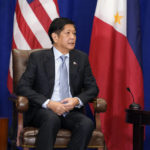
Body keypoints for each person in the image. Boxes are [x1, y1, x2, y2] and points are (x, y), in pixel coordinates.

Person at [16, 17, 99, 150]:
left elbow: (93, 88)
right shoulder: (38, 58)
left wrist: (76, 101)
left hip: (70, 111)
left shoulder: (81, 58)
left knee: (86, 123)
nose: (73, 37)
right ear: (55, 36)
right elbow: (22, 87)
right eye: (68, 33)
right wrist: (49, 103)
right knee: (51, 119)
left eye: (74, 33)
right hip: (43, 110)